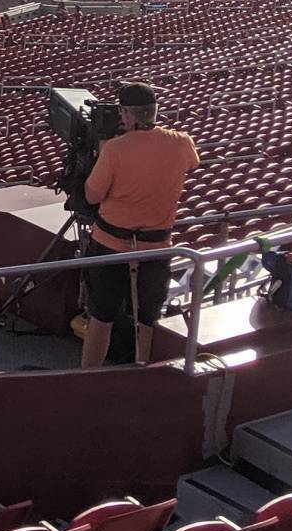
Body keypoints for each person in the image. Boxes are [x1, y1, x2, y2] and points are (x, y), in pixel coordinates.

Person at [79, 80, 201, 368]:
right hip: (156, 248)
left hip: (110, 245)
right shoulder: (181, 142)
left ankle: (88, 376)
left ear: (128, 115)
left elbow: (91, 194)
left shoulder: (114, 150)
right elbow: (191, 163)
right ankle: (143, 371)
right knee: (148, 317)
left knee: (101, 316)